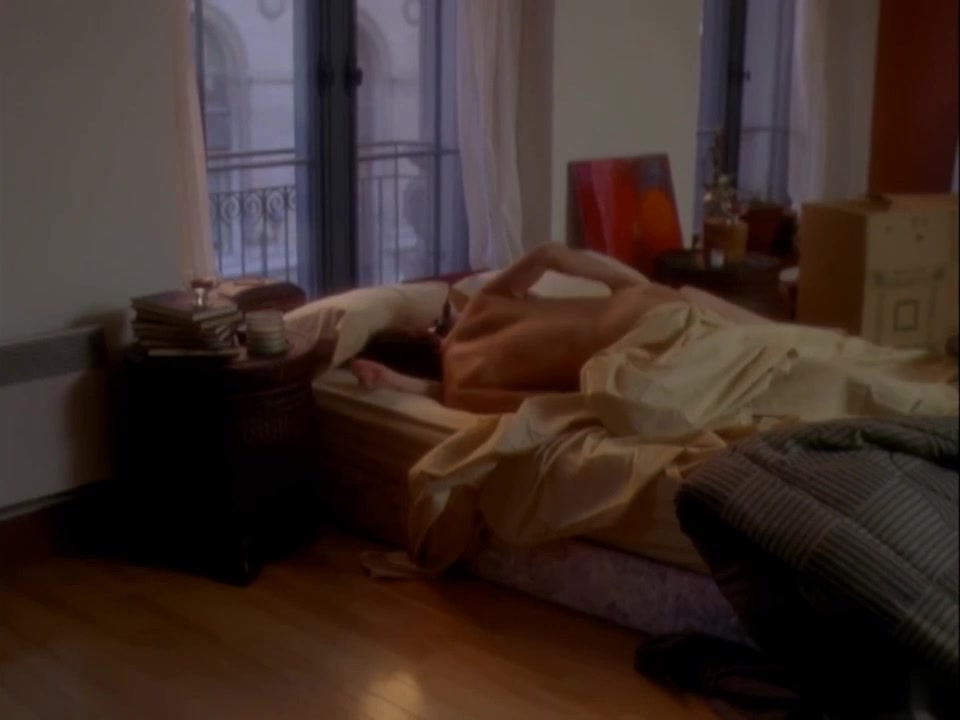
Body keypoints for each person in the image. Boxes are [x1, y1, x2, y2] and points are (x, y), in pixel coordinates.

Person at [351, 243, 758, 413]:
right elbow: (550, 253)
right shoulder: (479, 306)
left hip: (650, 351)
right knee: (781, 345)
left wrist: (398, 383)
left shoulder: (461, 391)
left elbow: (547, 406)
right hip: (653, 304)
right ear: (424, 334)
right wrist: (630, 286)